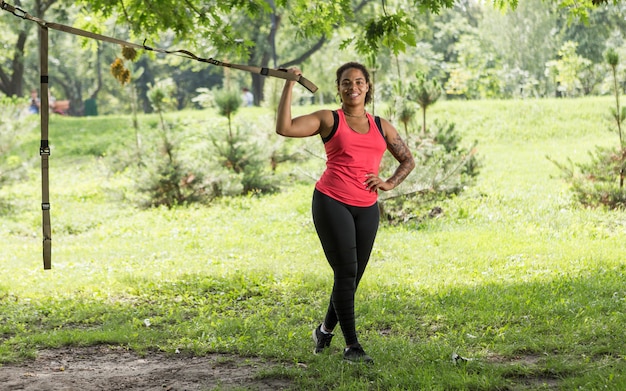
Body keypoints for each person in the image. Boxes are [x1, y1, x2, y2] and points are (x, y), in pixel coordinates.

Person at [276, 62, 415, 363]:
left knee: (351, 277)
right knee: (346, 272)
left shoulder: (381, 126)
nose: (353, 87)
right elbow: (285, 128)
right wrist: (289, 83)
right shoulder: (329, 119)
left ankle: (324, 331)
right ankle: (352, 346)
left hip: (367, 208)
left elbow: (407, 160)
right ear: (338, 87)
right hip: (331, 201)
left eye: (359, 82)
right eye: (346, 82)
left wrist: (389, 183)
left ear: (368, 87)